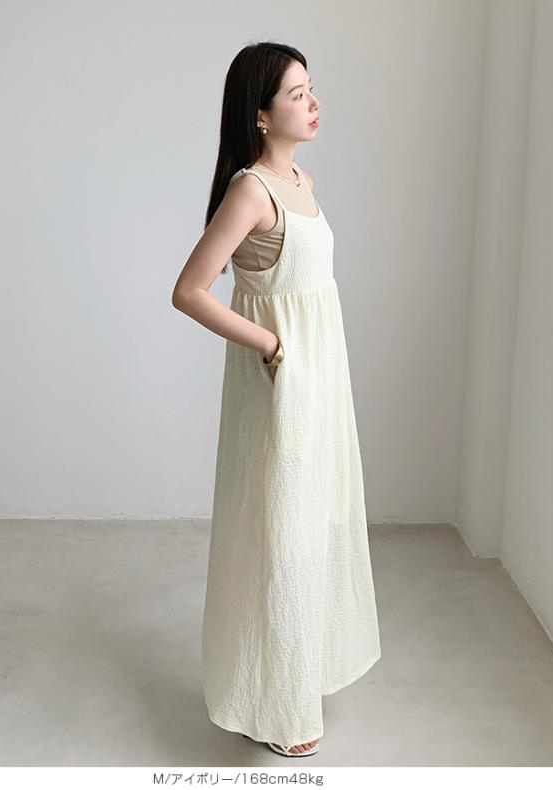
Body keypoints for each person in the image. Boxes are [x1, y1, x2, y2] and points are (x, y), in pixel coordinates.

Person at [172, 42, 382, 758]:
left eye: (311, 89)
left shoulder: (301, 180)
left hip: (321, 381)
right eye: (297, 94)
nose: (314, 103)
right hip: (282, 385)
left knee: (311, 526)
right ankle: (279, 707)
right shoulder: (252, 190)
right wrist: (270, 346)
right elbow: (190, 290)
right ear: (260, 115)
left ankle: (292, 675)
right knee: (281, 536)